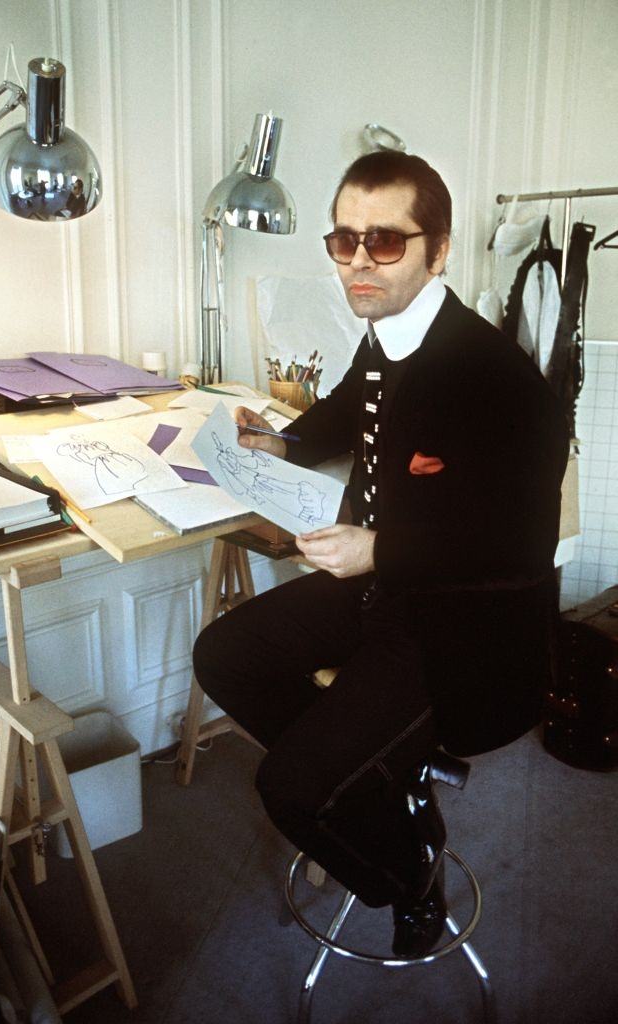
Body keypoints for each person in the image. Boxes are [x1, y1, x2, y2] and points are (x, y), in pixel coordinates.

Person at [193, 150, 569, 958]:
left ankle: (408, 876)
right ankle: (380, 784)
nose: (359, 261)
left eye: (385, 242)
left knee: (288, 786)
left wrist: (380, 548)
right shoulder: (391, 331)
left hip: (462, 626)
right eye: (343, 240)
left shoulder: (499, 381)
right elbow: (350, 408)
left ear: (437, 252)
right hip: (383, 586)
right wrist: (280, 443)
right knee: (226, 654)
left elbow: (518, 545)